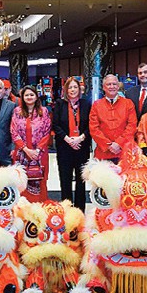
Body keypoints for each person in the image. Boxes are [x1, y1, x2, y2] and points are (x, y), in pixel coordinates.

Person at [52, 77, 92, 210]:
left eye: (75, 87)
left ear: (80, 89)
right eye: (70, 87)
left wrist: (80, 138)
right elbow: (55, 125)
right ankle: (67, 209)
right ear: (66, 90)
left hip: (82, 146)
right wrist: (68, 139)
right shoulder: (59, 104)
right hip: (65, 147)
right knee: (65, 180)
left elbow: (91, 125)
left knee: (81, 181)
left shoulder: (86, 104)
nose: (73, 90)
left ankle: (80, 211)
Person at [10, 85, 52, 202]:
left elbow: (47, 132)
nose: (29, 97)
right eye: (26, 95)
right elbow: (14, 132)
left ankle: (40, 210)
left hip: (40, 154)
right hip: (21, 154)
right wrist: (25, 149)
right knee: (21, 181)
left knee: (40, 180)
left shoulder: (43, 111)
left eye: (31, 94)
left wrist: (37, 150)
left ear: (36, 96)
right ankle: (22, 212)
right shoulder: (17, 111)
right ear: (22, 97)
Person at [89, 74, 137, 162]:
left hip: (125, 152)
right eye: (109, 84)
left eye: (114, 84)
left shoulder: (128, 103)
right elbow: (94, 129)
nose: (112, 87)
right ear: (103, 87)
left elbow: (132, 126)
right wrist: (108, 145)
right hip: (103, 153)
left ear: (118, 86)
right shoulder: (96, 105)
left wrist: (119, 143)